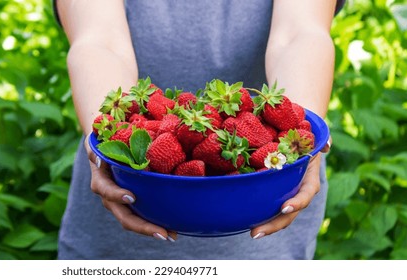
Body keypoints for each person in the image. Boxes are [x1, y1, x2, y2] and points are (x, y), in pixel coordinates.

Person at [54, 0, 342, 259]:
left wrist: (299, 144)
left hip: (269, 200)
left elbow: (299, 35)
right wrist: (111, 139)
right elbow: (99, 42)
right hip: (127, 207)